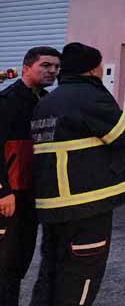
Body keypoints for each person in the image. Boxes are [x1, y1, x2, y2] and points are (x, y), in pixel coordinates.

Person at [30, 43, 125, 306]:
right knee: (82, 273)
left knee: (52, 270)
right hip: (86, 205)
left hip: (52, 205)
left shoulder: (46, 102)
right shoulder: (89, 96)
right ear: (93, 68)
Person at [0, 47, 59, 304]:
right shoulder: (7, 101)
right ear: (26, 68)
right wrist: (3, 191)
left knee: (20, 261)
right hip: (10, 196)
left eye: (56, 67)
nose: (52, 71)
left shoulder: (46, 101)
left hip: (32, 196)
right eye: (45, 65)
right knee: (4, 264)